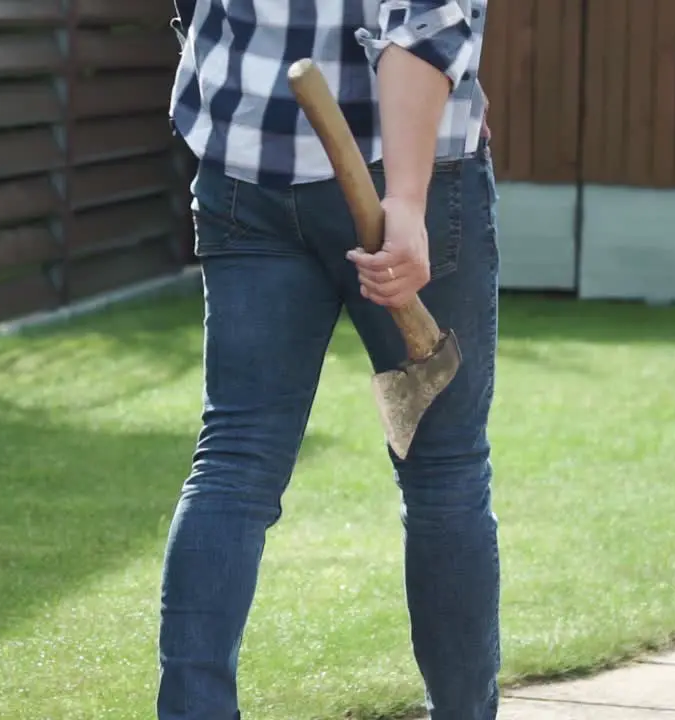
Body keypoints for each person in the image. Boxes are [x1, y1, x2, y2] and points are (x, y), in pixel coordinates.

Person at [158, 0, 500, 718]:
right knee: (443, 473)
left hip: (247, 173)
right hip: (410, 176)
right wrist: (406, 202)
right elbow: (427, 23)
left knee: (235, 464)